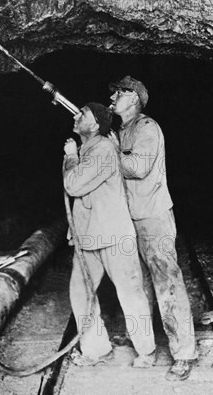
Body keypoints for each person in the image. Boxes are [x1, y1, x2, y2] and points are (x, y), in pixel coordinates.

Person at [109, 75, 197, 381]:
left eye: (117, 93)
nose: (112, 98)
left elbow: (137, 167)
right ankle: (143, 340)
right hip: (130, 218)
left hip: (153, 217)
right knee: (139, 283)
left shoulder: (146, 128)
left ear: (133, 98)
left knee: (167, 282)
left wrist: (108, 152)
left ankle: (183, 353)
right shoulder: (121, 130)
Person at [63, 102, 156, 368]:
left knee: (130, 293)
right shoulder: (88, 149)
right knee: (80, 292)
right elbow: (85, 197)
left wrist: (70, 156)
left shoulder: (102, 149)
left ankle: (147, 351)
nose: (76, 115)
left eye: (83, 114)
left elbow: (74, 185)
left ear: (95, 125)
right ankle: (96, 349)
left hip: (115, 236)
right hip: (89, 237)